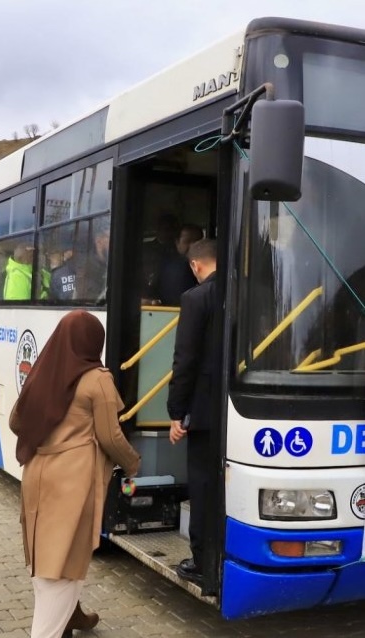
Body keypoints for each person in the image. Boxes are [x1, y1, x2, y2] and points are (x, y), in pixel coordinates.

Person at [10, 310, 140, 638]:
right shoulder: (97, 379)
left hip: (37, 474)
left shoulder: (44, 371)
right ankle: (51, 629)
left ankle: (71, 617)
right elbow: (111, 436)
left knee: (46, 560)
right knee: (63, 568)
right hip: (72, 482)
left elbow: (15, 422)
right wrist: (133, 463)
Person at [167, 238, 218, 587]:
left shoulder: (195, 298)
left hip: (201, 413)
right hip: (236, 413)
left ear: (196, 266)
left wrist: (176, 412)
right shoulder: (248, 293)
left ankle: (202, 561)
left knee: (201, 487)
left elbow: (184, 361)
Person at [157, 223, 204, 306]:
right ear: (177, 242)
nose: (193, 245)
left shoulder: (207, 267)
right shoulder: (166, 266)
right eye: (187, 241)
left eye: (197, 241)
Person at [75, 220, 110, 304]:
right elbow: (92, 302)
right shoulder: (87, 269)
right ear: (99, 241)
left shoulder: (107, 264)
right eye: (110, 238)